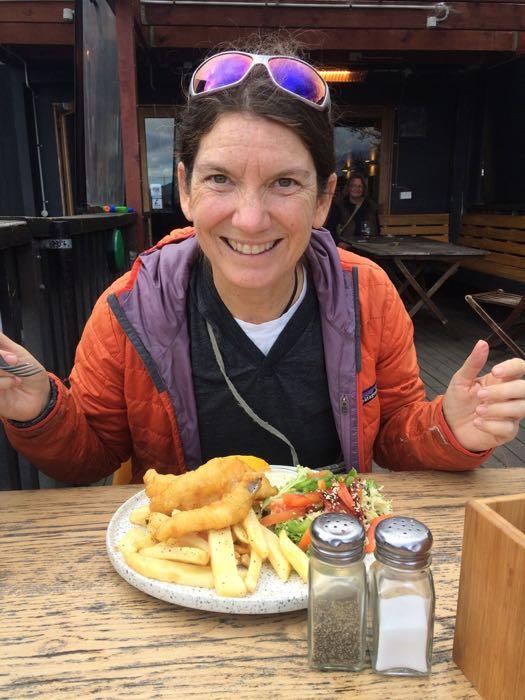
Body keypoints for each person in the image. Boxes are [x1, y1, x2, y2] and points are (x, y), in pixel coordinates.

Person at [0, 39, 524, 485]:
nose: (250, 220)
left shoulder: (368, 294)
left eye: (285, 183)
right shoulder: (130, 308)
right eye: (220, 178)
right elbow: (89, 456)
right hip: (190, 573)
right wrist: (40, 408)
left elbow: (394, 435)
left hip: (326, 564)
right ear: (185, 188)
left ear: (323, 199)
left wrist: (450, 429)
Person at [328, 173, 380, 248]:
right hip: (346, 246)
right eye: (354, 186)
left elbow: (377, 230)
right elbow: (330, 228)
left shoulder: (370, 206)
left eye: (360, 186)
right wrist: (338, 242)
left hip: (367, 247)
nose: (357, 189)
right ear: (349, 188)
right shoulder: (339, 206)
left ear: (363, 189)